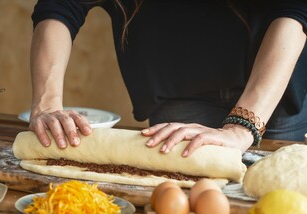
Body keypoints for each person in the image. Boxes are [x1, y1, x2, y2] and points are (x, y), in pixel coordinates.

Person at [28, 0, 307, 156]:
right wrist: (46, 104)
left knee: (273, 200)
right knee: (179, 198)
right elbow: (60, 6)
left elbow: (294, 11)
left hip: (272, 91)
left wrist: (242, 126)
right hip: (178, 93)